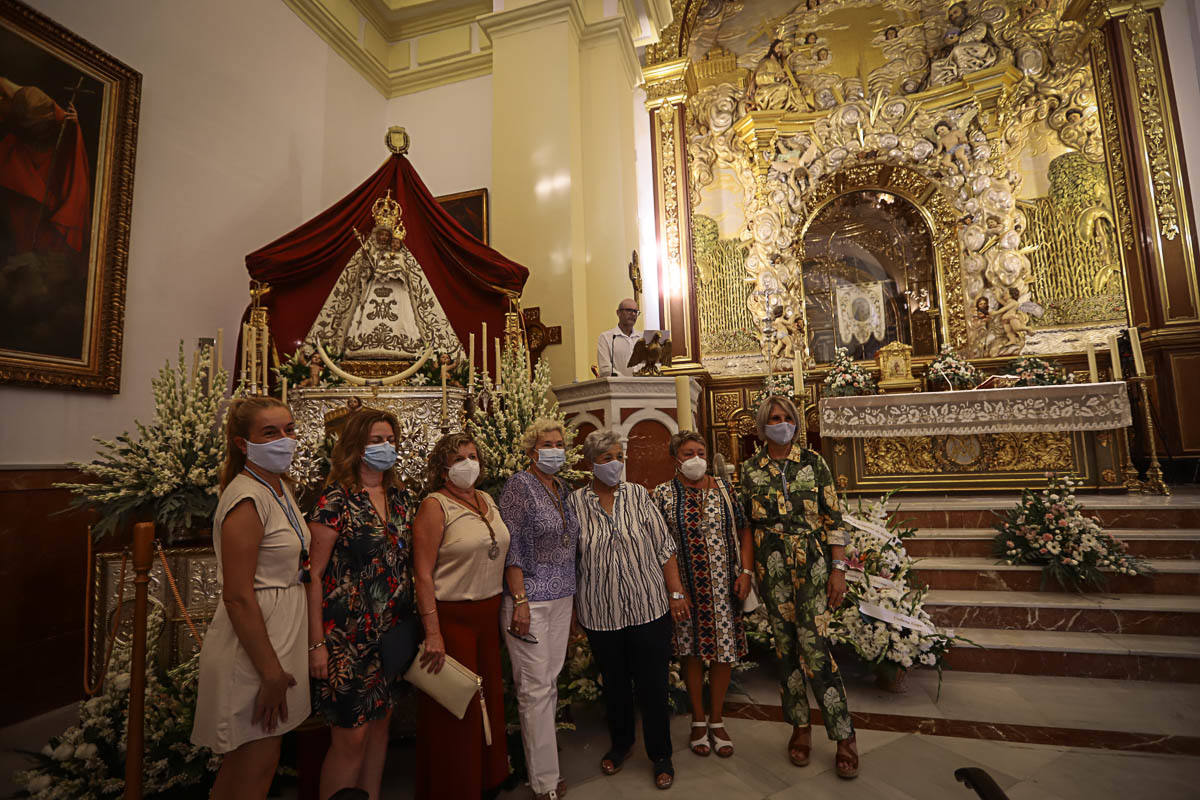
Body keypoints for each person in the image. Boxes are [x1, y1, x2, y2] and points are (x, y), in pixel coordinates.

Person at [192, 397, 311, 799]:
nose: (285, 439)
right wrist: (271, 672)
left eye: (289, 429)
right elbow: (239, 597)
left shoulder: (278, 487)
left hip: (280, 630)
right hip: (256, 645)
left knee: (262, 759)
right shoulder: (247, 497)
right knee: (252, 765)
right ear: (243, 444)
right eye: (270, 432)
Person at [740, 395, 859, 779]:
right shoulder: (750, 470)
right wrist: (748, 571)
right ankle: (801, 728)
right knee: (786, 650)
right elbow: (746, 526)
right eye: (773, 418)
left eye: (785, 417)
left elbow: (832, 518)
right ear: (762, 427)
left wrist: (838, 569)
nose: (780, 423)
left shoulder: (814, 463)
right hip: (771, 570)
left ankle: (843, 734)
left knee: (815, 647)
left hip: (812, 566)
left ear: (794, 422)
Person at [567, 429, 690, 791]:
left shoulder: (637, 495)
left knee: (653, 685)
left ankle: (661, 754)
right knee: (616, 685)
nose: (615, 464)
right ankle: (621, 744)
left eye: (619, 456)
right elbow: (569, 559)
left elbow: (663, 546)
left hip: (648, 607)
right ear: (591, 464)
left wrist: (677, 592)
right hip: (601, 611)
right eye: (607, 458)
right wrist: (573, 609)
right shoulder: (575, 503)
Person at [306, 409, 414, 800]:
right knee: (351, 739)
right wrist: (316, 644)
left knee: (381, 727)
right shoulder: (336, 500)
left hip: (392, 633)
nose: (385, 448)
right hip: (347, 640)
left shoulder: (401, 497)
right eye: (375, 441)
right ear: (355, 447)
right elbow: (312, 575)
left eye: (390, 440)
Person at [411, 432, 510, 799]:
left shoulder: (485, 499)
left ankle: (486, 779)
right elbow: (422, 573)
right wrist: (433, 632)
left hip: (488, 614)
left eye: (472, 455)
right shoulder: (435, 506)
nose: (468, 463)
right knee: (457, 708)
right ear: (442, 469)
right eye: (458, 459)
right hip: (452, 617)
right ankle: (455, 786)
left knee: (490, 700)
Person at [652, 431, 753, 759]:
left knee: (725, 652)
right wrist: (674, 590)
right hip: (685, 589)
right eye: (687, 453)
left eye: (700, 451)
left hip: (725, 586)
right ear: (675, 459)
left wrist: (747, 573)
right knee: (691, 652)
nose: (695, 458)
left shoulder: (725, 489)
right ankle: (697, 718)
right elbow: (659, 544)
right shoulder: (664, 494)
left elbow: (744, 529)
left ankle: (717, 719)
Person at [498, 419, 580, 800]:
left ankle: (546, 769)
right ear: (532, 451)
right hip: (529, 598)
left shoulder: (561, 487)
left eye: (560, 443)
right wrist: (520, 600)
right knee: (533, 688)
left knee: (549, 684)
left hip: (563, 596)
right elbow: (512, 545)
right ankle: (544, 781)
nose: (555, 450)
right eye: (547, 444)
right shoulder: (519, 485)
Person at [596, 298, 642, 377]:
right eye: (629, 310)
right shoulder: (607, 337)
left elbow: (652, 364)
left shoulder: (643, 337)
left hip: (644, 387)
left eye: (635, 311)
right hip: (618, 387)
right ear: (618, 313)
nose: (633, 314)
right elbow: (605, 369)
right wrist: (625, 381)